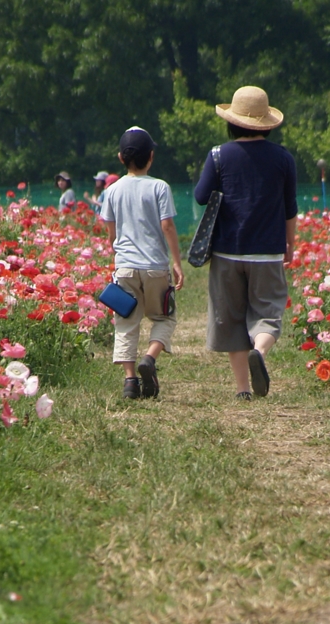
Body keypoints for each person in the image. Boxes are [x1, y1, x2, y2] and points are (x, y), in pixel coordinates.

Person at [194, 85, 297, 400]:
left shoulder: (218, 155)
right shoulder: (283, 158)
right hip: (266, 252)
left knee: (232, 319)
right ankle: (261, 353)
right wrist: (289, 244)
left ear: (232, 121)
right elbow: (290, 208)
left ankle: (242, 391)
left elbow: (201, 196)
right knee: (268, 312)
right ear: (266, 123)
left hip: (227, 251)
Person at [100, 127, 184, 399]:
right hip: (155, 266)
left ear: (120, 157)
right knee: (164, 316)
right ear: (151, 156)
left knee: (126, 321)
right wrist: (177, 262)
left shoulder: (111, 191)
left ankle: (130, 381)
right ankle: (149, 357)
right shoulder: (159, 187)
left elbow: (111, 234)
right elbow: (168, 226)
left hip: (124, 267)